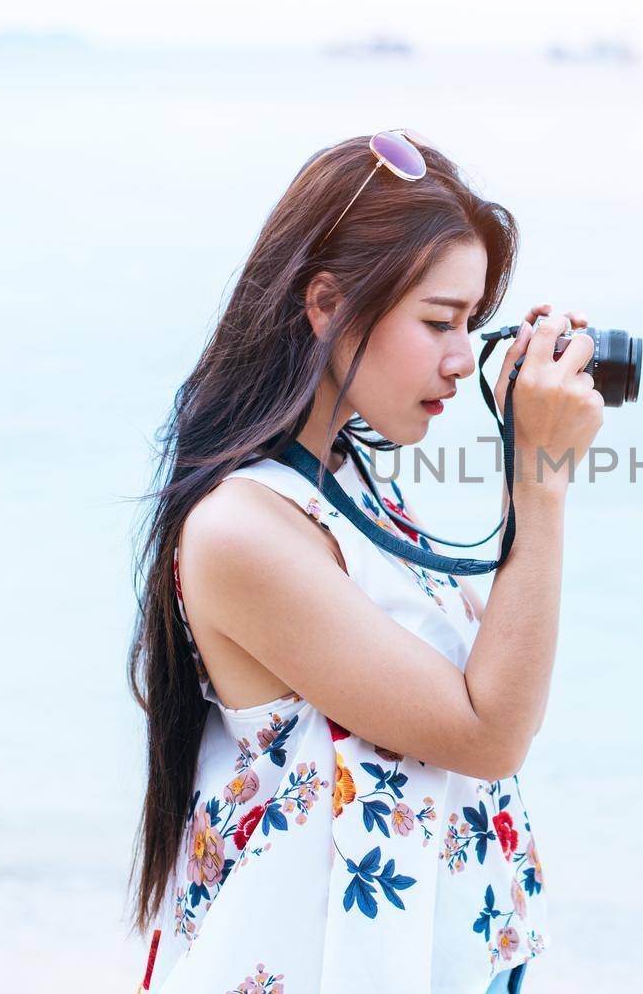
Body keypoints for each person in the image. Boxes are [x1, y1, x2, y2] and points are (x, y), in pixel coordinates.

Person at [126, 130, 604, 994]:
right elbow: (486, 733)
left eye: (471, 326)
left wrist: (523, 463)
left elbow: (481, 703)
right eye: (438, 322)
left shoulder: (344, 477)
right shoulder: (243, 528)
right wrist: (540, 479)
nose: (461, 359)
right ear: (325, 305)